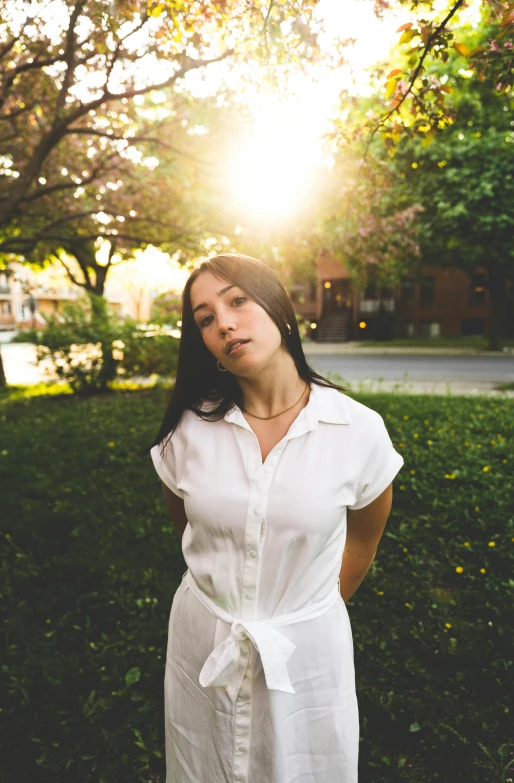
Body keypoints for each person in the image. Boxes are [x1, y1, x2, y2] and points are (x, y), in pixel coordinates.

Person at [145, 253, 404, 783]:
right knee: (203, 762)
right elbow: (189, 526)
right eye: (205, 318)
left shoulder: (358, 431)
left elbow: (362, 540)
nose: (225, 323)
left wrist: (304, 610)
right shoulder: (186, 433)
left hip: (305, 652)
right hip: (203, 638)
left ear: (279, 308)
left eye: (237, 300)